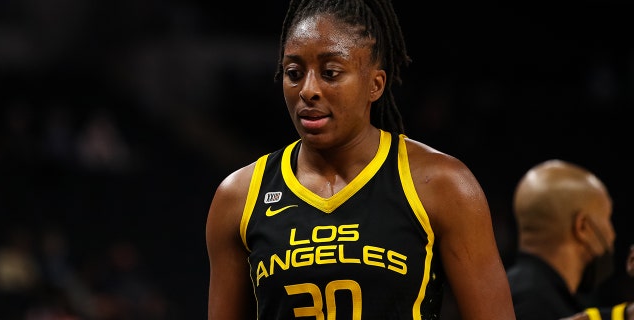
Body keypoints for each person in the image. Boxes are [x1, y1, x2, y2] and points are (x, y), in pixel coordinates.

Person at [205, 0, 515, 319]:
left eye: (330, 73)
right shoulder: (238, 197)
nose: (308, 90)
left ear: (375, 84)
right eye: (294, 73)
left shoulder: (442, 184)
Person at [507, 159, 619, 320]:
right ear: (583, 228)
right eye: (607, 218)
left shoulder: (512, 291)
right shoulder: (536, 305)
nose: (612, 234)